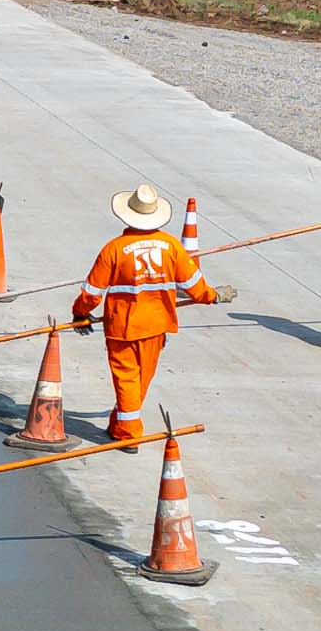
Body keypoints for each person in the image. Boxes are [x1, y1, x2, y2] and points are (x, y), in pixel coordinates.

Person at [70, 185, 231, 445]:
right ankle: (120, 423)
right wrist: (214, 295)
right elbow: (193, 286)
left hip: (123, 326)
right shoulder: (171, 246)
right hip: (157, 324)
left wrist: (80, 314)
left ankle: (128, 434)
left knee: (127, 379)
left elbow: (92, 293)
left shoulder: (114, 249)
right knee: (141, 379)